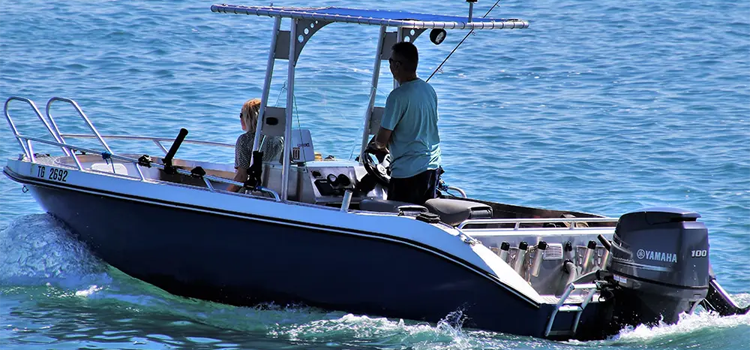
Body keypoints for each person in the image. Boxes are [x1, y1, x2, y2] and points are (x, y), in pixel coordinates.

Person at [367, 41, 441, 205]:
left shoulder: (397, 96)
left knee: (400, 221)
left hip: (408, 175)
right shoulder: (429, 90)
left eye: (390, 61)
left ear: (398, 65)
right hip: (431, 168)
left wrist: (375, 146)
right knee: (424, 218)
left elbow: (380, 141)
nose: (390, 65)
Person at [228, 98, 284, 192]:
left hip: (252, 190)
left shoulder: (244, 140)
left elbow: (242, 176)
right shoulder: (279, 139)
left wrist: (225, 194)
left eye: (241, 115)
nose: (240, 118)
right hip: (274, 190)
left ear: (248, 118)